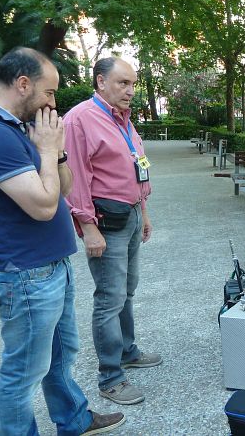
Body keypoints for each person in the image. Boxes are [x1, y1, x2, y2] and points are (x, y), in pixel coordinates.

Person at [0, 47, 125, 435]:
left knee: (61, 357)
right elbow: (44, 207)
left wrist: (58, 153)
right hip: (24, 276)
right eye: (49, 93)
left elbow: (62, 188)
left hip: (49, 267)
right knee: (23, 373)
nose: (52, 103)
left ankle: (74, 418)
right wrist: (47, 150)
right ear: (23, 84)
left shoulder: (15, 126)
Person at [64, 57, 159, 406]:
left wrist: (144, 211)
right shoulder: (79, 119)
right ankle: (110, 376)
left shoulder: (123, 120)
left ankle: (126, 350)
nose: (131, 91)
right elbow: (75, 178)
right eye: (123, 83)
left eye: (133, 84)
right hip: (106, 223)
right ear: (101, 82)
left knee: (126, 291)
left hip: (131, 215)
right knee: (109, 298)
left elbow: (137, 168)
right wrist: (88, 228)